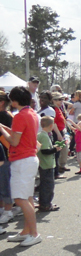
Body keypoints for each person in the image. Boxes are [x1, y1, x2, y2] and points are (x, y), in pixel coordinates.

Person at [1, 86, 43, 245]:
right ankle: (28, 231)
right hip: (29, 158)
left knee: (20, 198)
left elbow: (13, 140)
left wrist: (1, 130)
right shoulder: (31, 113)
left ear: (14, 100)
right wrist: (4, 128)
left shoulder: (20, 116)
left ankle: (33, 233)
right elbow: (18, 133)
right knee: (27, 197)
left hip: (22, 160)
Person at [36, 116, 60, 212]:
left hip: (44, 164)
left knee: (44, 184)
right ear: (51, 125)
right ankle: (46, 204)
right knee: (48, 185)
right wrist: (56, 149)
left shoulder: (41, 134)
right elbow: (45, 151)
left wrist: (54, 147)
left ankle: (43, 203)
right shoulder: (44, 136)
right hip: (47, 164)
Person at [0, 93, 15, 225]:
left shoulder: (5, 116)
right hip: (5, 154)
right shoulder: (8, 115)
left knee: (5, 184)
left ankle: (8, 211)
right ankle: (3, 208)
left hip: (5, 155)